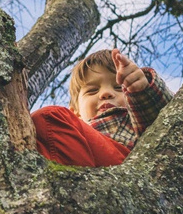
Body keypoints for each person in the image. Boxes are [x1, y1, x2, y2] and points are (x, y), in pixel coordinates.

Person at [31, 48, 172, 167]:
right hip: (79, 164)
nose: (106, 93)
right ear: (75, 112)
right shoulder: (72, 130)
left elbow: (163, 118)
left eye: (119, 87)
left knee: (48, 117)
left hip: (125, 164)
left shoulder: (135, 118)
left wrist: (141, 90)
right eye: (92, 90)